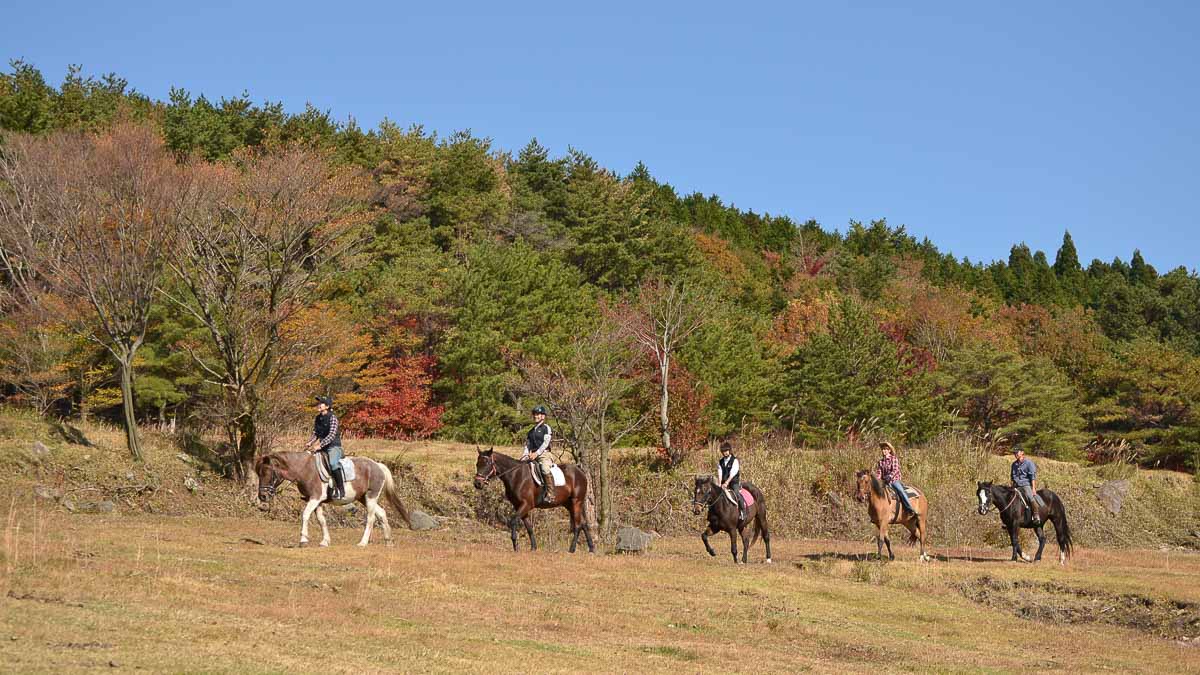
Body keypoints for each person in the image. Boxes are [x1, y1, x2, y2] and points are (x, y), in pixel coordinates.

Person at [306, 395, 344, 500]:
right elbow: (316, 433)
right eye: (318, 403)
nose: (318, 405)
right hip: (322, 447)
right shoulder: (318, 418)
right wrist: (309, 442)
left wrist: (319, 445)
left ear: (327, 406)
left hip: (333, 447)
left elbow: (331, 435)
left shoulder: (333, 418)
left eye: (320, 403)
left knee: (333, 463)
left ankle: (341, 489)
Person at [522, 405, 555, 506]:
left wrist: (536, 453)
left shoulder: (546, 428)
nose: (535, 416)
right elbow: (527, 445)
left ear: (543, 416)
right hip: (532, 455)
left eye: (538, 414)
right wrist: (524, 456)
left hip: (544, 454)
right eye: (535, 414)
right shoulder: (530, 432)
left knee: (544, 468)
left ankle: (551, 493)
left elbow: (545, 443)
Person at [873, 441, 916, 516]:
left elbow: (896, 470)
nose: (884, 451)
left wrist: (889, 476)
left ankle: (909, 508)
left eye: (885, 449)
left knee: (900, 491)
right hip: (884, 482)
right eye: (883, 449)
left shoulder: (894, 459)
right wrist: (877, 480)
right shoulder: (880, 462)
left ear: (889, 450)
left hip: (894, 480)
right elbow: (879, 472)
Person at [1010, 445, 1045, 524]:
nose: (1015, 454)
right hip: (1016, 485)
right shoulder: (1014, 464)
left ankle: (1036, 515)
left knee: (1030, 497)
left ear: (1022, 453)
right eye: (1014, 453)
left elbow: (1032, 477)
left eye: (1017, 452)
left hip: (1025, 485)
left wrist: (1033, 489)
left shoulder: (1029, 463)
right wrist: (1011, 486)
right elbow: (1012, 477)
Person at [717, 441, 746, 522]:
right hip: (723, 483)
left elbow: (733, 473)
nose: (725, 453)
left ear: (729, 450)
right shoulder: (720, 462)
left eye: (726, 451)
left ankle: (742, 512)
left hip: (733, 482)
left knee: (737, 494)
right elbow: (720, 473)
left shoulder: (735, 460)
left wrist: (727, 482)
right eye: (723, 451)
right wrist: (719, 483)